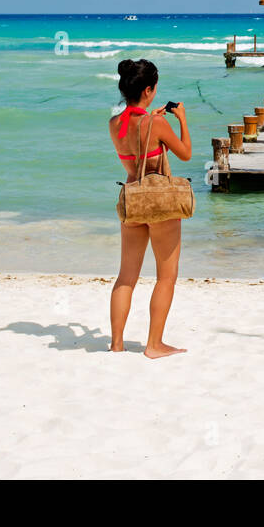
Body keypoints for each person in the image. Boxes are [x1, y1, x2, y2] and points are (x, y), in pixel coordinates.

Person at [108, 58, 191, 358]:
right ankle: (154, 345)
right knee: (165, 276)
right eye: (154, 88)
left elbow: (136, 138)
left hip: (132, 198)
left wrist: (151, 118)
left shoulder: (114, 123)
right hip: (158, 201)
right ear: (148, 90)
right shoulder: (157, 122)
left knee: (126, 276)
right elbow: (185, 153)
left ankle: (116, 343)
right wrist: (180, 118)